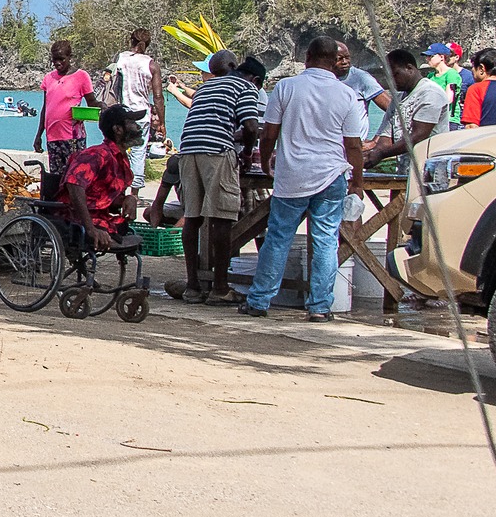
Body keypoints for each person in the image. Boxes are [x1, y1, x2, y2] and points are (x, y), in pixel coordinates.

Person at [242, 37, 365, 322]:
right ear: (334, 61)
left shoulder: (286, 87)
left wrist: (267, 161)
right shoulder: (346, 94)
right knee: (325, 241)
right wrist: (357, 181)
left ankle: (259, 300)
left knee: (278, 238)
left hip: (293, 175)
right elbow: (353, 145)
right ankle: (320, 306)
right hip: (331, 174)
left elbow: (269, 133)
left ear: (306, 57)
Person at [145, 51, 260, 303]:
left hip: (188, 151)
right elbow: (251, 126)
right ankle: (220, 287)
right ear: (233, 66)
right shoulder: (244, 86)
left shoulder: (204, 89)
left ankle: (193, 286)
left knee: (193, 217)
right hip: (217, 151)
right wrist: (248, 153)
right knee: (222, 218)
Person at [63, 105, 148, 251]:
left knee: (124, 228)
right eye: (132, 123)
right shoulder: (97, 155)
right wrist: (90, 228)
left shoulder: (120, 158)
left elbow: (106, 198)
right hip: (77, 218)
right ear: (118, 129)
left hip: (102, 217)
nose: (138, 127)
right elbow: (74, 185)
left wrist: (128, 199)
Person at [34, 40, 97, 201]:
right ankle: (60, 209)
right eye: (54, 59)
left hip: (73, 138)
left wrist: (104, 107)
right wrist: (39, 135)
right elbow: (46, 108)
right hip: (53, 137)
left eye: (61, 59)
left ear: (70, 57)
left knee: (75, 177)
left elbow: (92, 102)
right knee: (57, 178)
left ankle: (77, 207)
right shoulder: (49, 78)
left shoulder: (81, 76)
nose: (57, 63)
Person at [366, 49, 448, 167]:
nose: (392, 81)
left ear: (409, 68)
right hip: (405, 168)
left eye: (395, 75)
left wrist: (381, 154)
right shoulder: (397, 98)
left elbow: (418, 136)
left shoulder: (430, 93)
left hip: (429, 167)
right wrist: (374, 153)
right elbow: (386, 135)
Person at [111, 29, 167, 192]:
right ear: (147, 45)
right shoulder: (151, 65)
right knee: (138, 152)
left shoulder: (121, 58)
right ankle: (134, 193)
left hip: (122, 113)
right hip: (141, 113)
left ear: (131, 41)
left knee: (118, 150)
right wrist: (161, 122)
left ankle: (118, 190)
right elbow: (158, 97)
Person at [334, 43, 394, 141]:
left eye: (347, 57)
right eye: (339, 59)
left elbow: (393, 110)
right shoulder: (321, 80)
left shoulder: (360, 78)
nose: (345, 62)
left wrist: (376, 140)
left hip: (355, 145)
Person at [425, 43, 465, 129]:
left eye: (431, 56)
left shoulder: (451, 74)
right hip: (432, 120)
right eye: (427, 56)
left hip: (449, 120)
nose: (427, 59)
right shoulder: (430, 76)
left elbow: (448, 99)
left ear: (441, 57)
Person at [468, 49, 496, 127]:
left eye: (473, 66)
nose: (472, 70)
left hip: (486, 134)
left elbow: (471, 126)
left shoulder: (476, 89)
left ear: (481, 69)